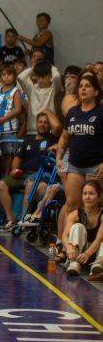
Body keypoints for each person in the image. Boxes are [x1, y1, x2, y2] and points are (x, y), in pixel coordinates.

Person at [45, 73, 103, 249]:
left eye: (88, 86)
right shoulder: (72, 112)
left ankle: (94, 248)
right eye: (81, 86)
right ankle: (64, 244)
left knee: (96, 207)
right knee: (71, 205)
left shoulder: (101, 112)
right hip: (75, 165)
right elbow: (64, 138)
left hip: (96, 165)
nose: (83, 89)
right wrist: (59, 158)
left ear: (96, 91)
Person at [60, 180, 103, 279]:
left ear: (99, 198)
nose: (87, 197)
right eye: (85, 194)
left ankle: (98, 265)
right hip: (80, 254)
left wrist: (87, 254)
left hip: (97, 253)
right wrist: (68, 247)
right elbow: (64, 235)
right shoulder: (75, 214)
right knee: (77, 227)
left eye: (91, 194)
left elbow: (100, 238)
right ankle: (74, 263)